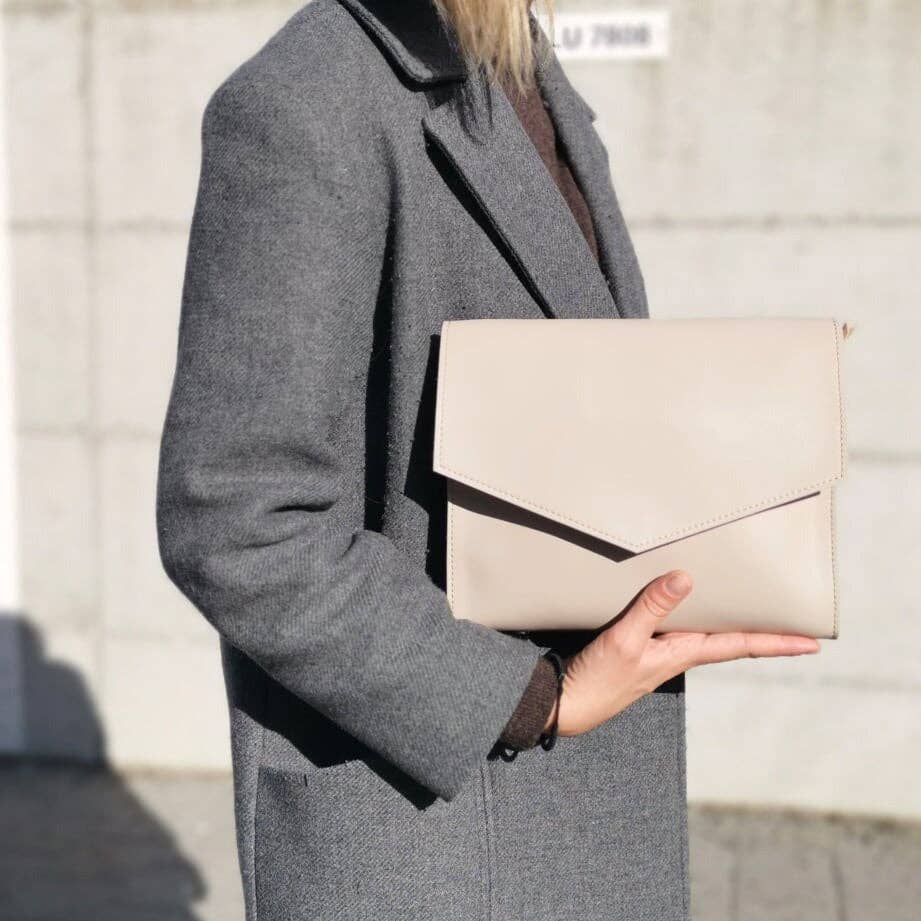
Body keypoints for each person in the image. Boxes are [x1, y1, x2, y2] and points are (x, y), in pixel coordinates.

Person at [156, 1, 820, 918]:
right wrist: (531, 698)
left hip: (553, 827)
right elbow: (238, 521)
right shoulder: (308, 100)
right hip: (438, 840)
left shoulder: (521, 70)